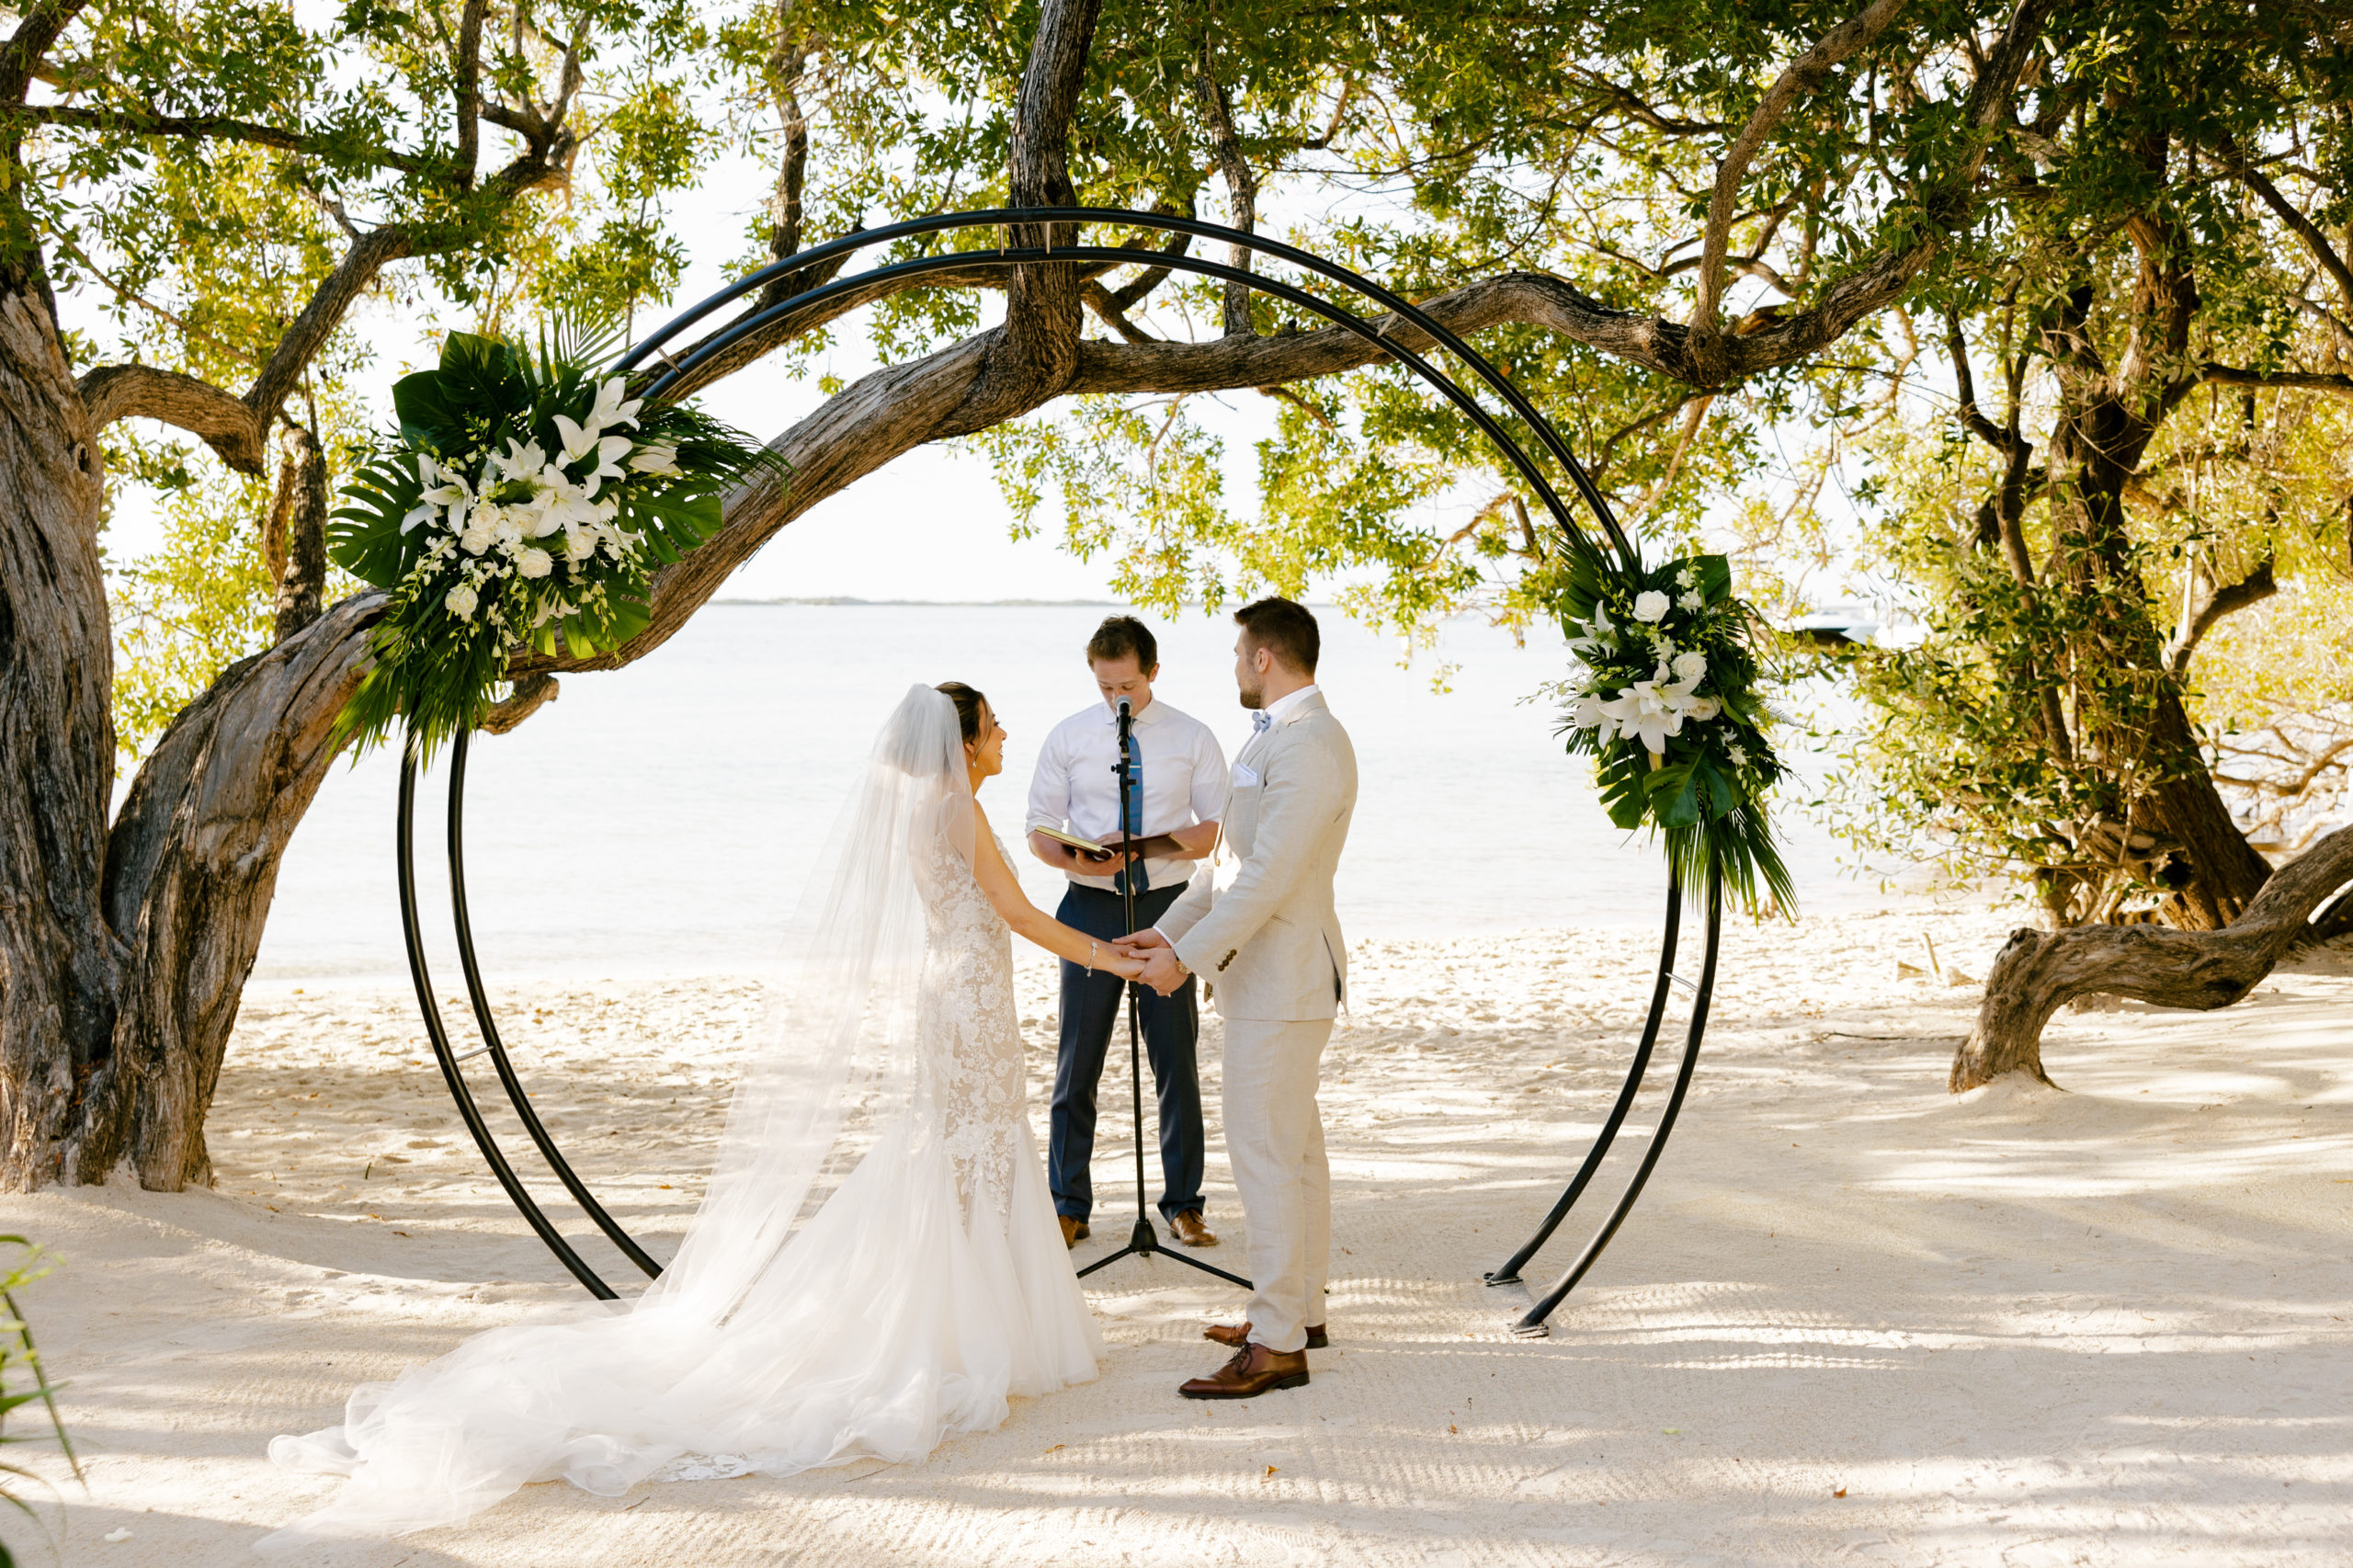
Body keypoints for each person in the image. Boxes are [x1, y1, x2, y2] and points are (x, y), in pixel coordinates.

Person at [261, 683, 1135, 1546]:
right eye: (993, 726)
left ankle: (971, 1316)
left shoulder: (927, 814)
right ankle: (963, 1330)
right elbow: (1018, 914)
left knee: (962, 1154)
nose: (1005, 733)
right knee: (971, 1150)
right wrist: (1119, 962)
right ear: (964, 741)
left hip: (956, 995)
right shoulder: (957, 814)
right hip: (970, 1001)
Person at [1120, 597, 1356, 1401]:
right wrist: (1164, 934)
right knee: (1294, 1154)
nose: (1233, 668)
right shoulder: (1274, 739)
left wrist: (1185, 960)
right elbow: (1219, 870)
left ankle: (1279, 1342)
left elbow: (1268, 879)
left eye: (1236, 655)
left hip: (1284, 982)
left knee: (1265, 1158)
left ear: (1264, 658)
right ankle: (1301, 1313)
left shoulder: (1313, 746)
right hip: (1267, 980)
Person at [1025, 616, 1226, 1251]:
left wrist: (1141, 846)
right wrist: (1074, 858)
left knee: (1176, 1063)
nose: (1117, 699)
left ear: (1153, 674)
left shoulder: (1192, 737)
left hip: (1169, 909)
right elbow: (1038, 829)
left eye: (1128, 688)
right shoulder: (1068, 737)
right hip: (1088, 909)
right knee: (1076, 1062)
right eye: (1106, 685)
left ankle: (1184, 1205)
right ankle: (1068, 1204)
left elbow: (1220, 829)